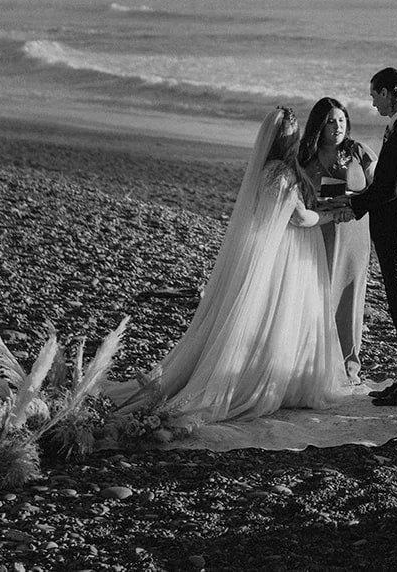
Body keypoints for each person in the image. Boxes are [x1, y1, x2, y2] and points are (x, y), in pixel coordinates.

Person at [104, 106, 352, 424]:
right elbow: (300, 218)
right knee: (285, 316)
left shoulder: (266, 170)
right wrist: (332, 215)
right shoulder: (284, 175)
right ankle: (278, 381)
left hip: (275, 251)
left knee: (272, 317)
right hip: (289, 254)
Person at [294, 67, 397, 405]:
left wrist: (353, 204)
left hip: (394, 229)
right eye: (331, 122)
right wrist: (350, 202)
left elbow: (390, 187)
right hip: (379, 227)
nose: (372, 102)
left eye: (373, 95)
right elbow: (385, 185)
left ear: (385, 93)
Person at [296, 97, 373, 384]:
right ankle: (311, 362)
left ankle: (348, 367)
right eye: (330, 121)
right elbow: (297, 196)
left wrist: (352, 200)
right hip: (318, 231)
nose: (337, 126)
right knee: (315, 295)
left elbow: (379, 188)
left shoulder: (359, 151)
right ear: (319, 125)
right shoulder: (305, 157)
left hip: (354, 233)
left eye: (341, 120)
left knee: (348, 299)